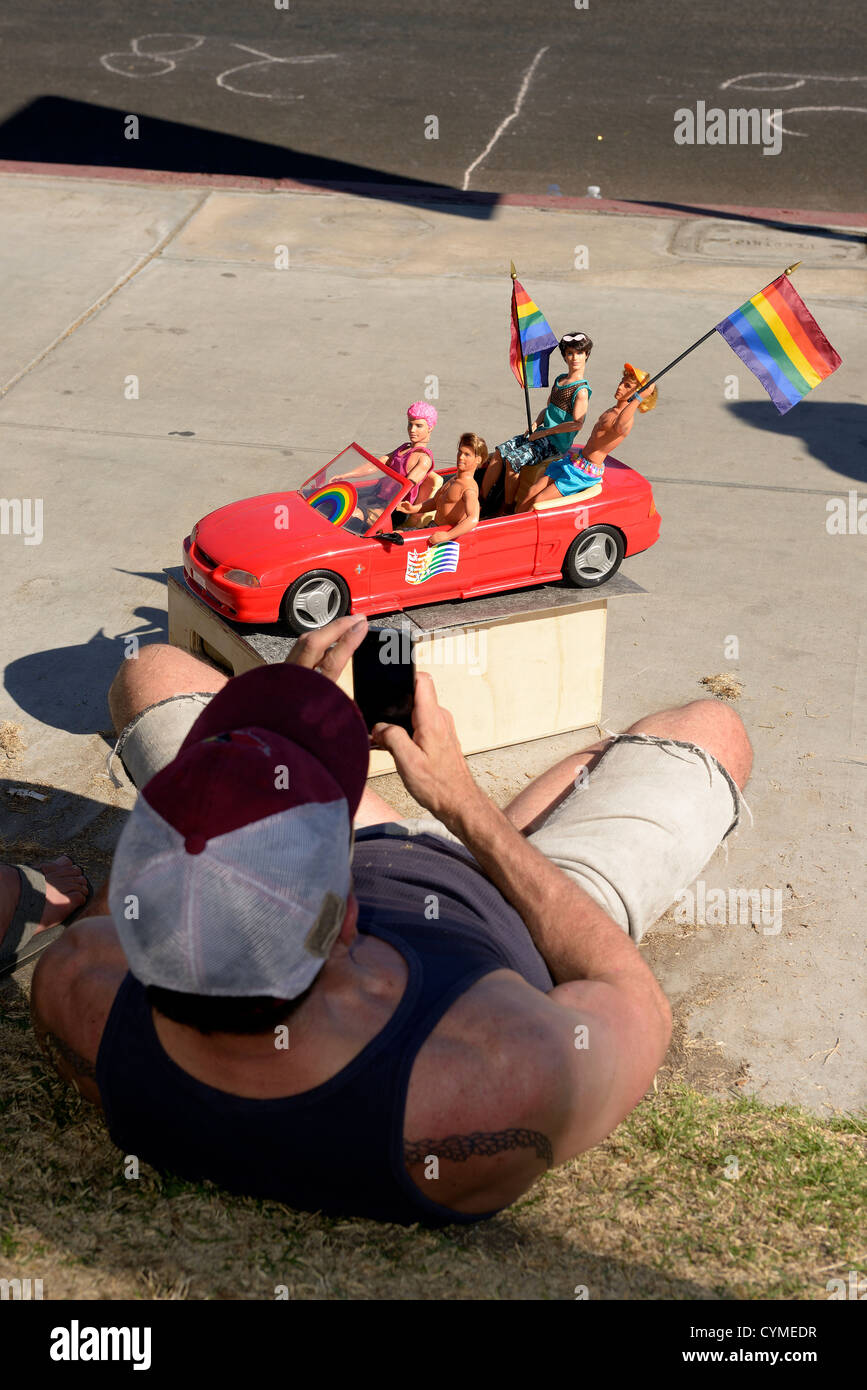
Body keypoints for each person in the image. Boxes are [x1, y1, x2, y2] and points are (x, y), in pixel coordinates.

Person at [30, 617, 751, 1227]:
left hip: (366, 850)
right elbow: (629, 999)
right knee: (706, 728)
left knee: (150, 669)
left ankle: (504, 813)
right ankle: (518, 824)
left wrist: (245, 762)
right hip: (540, 913)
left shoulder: (78, 985)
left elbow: (137, 892)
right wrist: (462, 804)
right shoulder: (483, 1081)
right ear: (347, 921)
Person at [518, 362, 657, 512]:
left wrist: (639, 398)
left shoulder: (625, 421)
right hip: (576, 461)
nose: (620, 386)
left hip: (584, 472)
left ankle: (520, 532)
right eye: (622, 382)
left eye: (627, 386)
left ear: (638, 394)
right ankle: (511, 523)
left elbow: (619, 426)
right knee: (532, 491)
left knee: (539, 501)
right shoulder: (613, 410)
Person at [480, 332, 593, 513]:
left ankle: (508, 506)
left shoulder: (581, 391)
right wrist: (536, 423)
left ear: (587, 354)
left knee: (513, 460)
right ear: (564, 356)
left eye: (579, 353)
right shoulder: (560, 380)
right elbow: (549, 409)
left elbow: (577, 424)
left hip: (555, 442)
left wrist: (545, 432)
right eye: (570, 353)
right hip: (540, 434)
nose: (574, 358)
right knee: (500, 452)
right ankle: (482, 500)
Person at [401, 432, 485, 546]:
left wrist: (447, 536)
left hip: (440, 537)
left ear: (478, 459)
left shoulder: (468, 488)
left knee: (396, 537)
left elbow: (473, 519)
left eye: (467, 454)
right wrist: (413, 509)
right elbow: (436, 502)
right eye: (460, 452)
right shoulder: (455, 479)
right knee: (394, 534)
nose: (460, 457)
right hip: (431, 528)